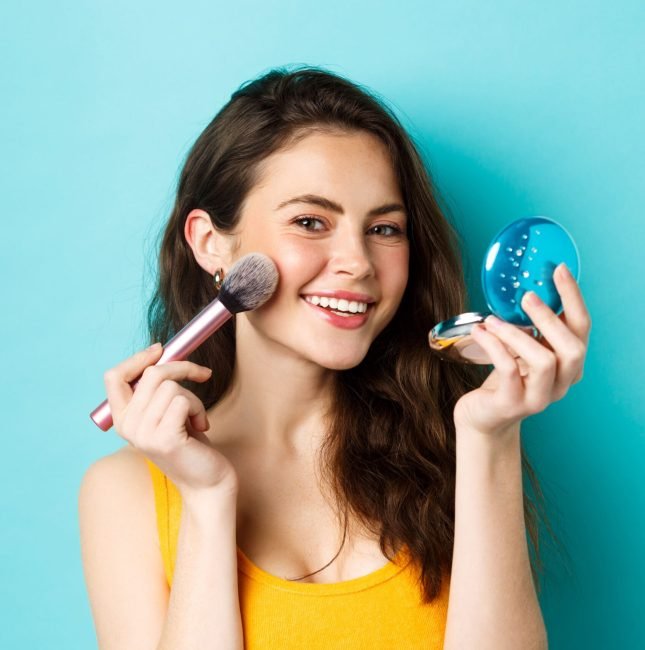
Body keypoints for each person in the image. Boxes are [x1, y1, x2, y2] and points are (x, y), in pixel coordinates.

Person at [79, 66, 591, 649]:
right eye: (309, 221)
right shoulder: (126, 493)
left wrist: (491, 437)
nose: (358, 262)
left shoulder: (449, 451)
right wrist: (207, 501)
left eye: (385, 228)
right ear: (209, 242)